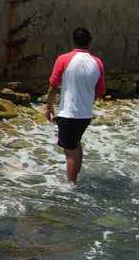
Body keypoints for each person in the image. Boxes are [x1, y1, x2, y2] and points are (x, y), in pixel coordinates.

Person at [45, 27, 106, 183]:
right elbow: (100, 91)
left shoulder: (63, 59)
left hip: (68, 114)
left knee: (70, 152)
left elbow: (53, 87)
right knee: (76, 143)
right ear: (89, 43)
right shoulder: (98, 63)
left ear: (74, 41)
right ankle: (77, 176)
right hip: (85, 115)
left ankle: (71, 187)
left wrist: (49, 107)